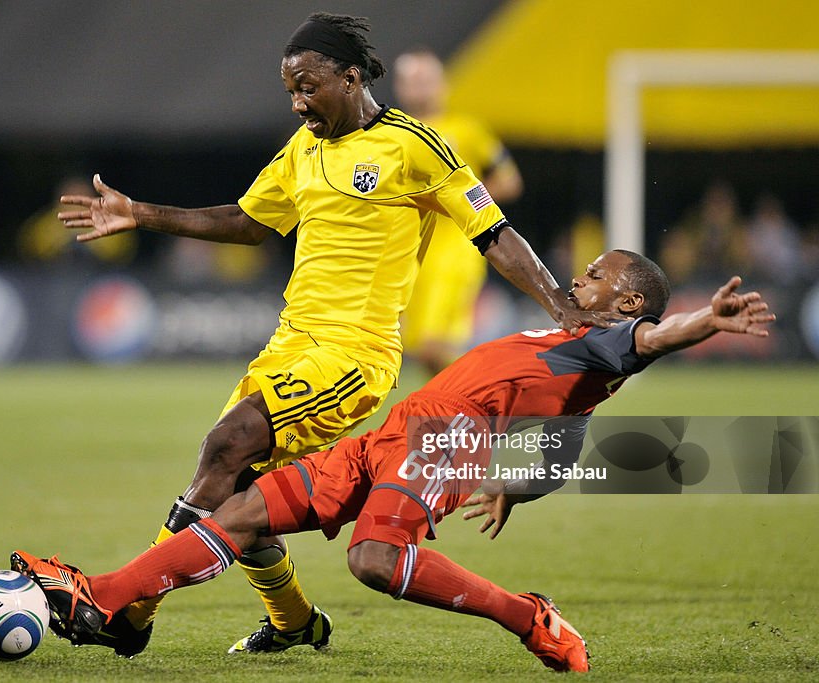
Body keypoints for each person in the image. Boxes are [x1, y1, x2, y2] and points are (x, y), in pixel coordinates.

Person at [55, 13, 610, 656]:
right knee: (239, 486)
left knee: (227, 445)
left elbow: (494, 231)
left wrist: (559, 305)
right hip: (289, 343)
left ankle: (126, 605)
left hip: (355, 354)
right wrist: (143, 213)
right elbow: (249, 221)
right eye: (289, 90)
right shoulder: (303, 149)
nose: (297, 102)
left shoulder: (412, 146)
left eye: (307, 86)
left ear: (350, 77)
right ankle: (294, 620)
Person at [12, 250, 774, 672]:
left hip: (447, 438)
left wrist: (703, 321)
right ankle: (103, 596)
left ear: (627, 303)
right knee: (241, 510)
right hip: (400, 430)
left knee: (375, 559)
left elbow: (652, 341)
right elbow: (566, 444)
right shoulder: (575, 349)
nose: (579, 278)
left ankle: (530, 617)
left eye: (598, 276)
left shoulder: (617, 342)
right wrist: (515, 485)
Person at [393, 47, 523, 375]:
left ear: (442, 85)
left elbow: (509, 182)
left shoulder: (467, 131)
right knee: (422, 351)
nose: (420, 88)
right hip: (406, 252)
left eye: (427, 80)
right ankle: (461, 411)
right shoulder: (389, 135)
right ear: (399, 87)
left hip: (455, 249)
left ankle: (490, 394)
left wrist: (461, 200)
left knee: (433, 343)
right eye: (413, 81)